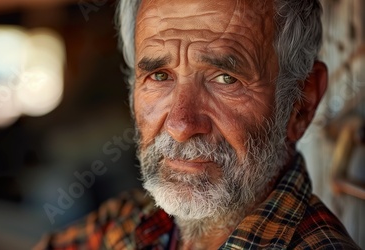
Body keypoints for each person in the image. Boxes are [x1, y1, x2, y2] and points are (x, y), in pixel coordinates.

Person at [34, 0, 360, 249]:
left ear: (301, 104)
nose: (180, 124)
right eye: (159, 76)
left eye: (224, 79)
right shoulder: (126, 224)